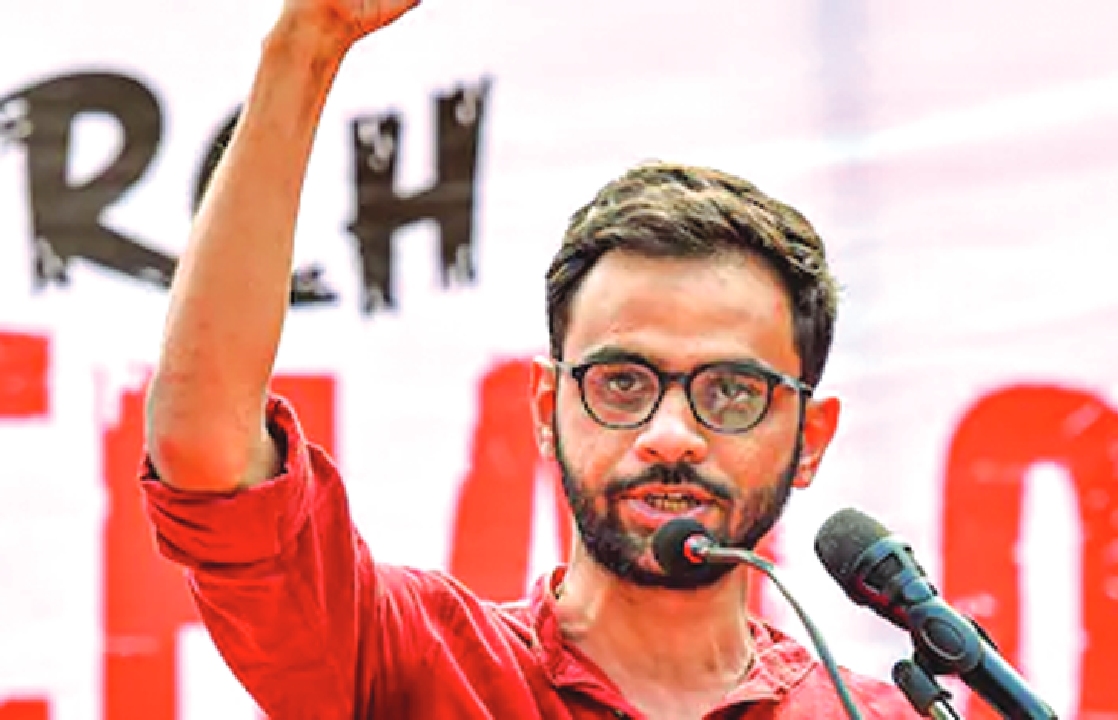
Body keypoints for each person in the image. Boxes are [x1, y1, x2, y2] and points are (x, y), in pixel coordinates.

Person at [139, 1, 922, 718]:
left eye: (731, 391)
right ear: (547, 409)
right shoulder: (418, 664)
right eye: (624, 383)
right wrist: (305, 46)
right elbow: (208, 455)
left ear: (810, 438)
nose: (671, 436)